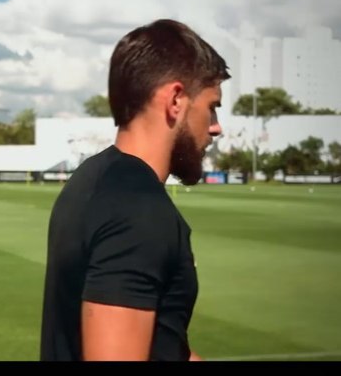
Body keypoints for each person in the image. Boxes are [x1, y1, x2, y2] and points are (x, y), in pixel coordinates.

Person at [39, 18, 230, 361]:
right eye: (212, 106)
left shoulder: (91, 179)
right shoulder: (138, 211)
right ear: (176, 99)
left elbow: (164, 344)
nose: (216, 128)